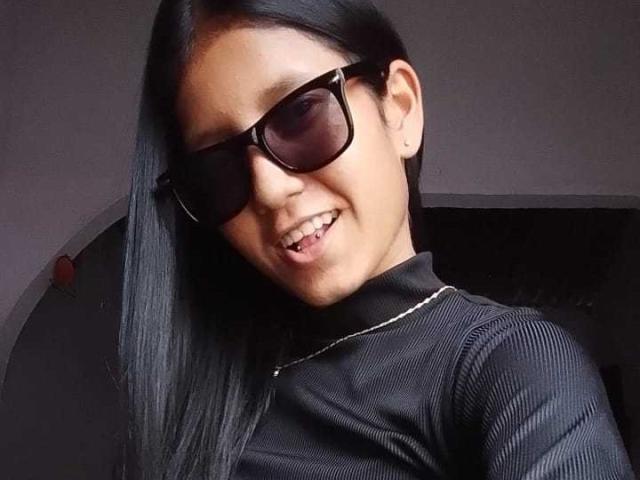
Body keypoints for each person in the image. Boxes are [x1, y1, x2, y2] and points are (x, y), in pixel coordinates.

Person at [118, 0, 636, 479]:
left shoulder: (508, 365)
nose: (270, 190)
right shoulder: (191, 407)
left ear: (400, 109)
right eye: (217, 168)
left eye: (300, 114)